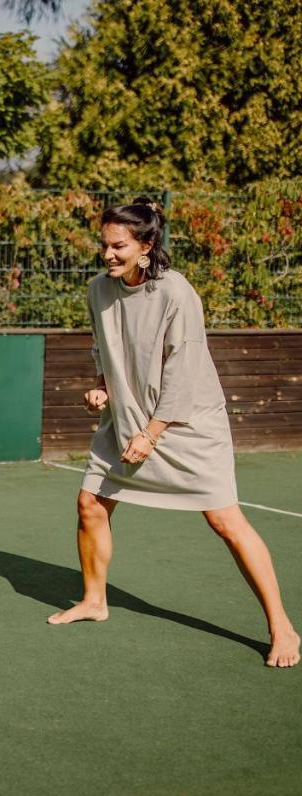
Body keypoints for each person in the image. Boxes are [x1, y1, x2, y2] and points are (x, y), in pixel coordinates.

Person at [51, 198, 300, 668]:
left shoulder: (176, 292)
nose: (107, 254)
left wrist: (152, 432)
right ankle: (94, 601)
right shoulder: (98, 290)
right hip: (125, 418)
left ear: (146, 245)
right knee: (90, 504)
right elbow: (103, 346)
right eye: (104, 245)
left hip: (186, 425)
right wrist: (103, 386)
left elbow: (183, 371)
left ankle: (282, 626)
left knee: (225, 521)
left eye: (118, 246)